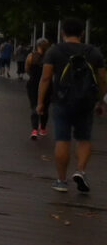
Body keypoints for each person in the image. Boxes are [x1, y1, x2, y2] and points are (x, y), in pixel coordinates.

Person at [37, 18, 107, 193]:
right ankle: (80, 170)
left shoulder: (54, 51)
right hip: (86, 101)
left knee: (62, 139)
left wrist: (40, 102)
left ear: (63, 33)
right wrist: (100, 100)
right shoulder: (94, 52)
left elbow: (45, 78)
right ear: (82, 33)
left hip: (62, 100)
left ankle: (61, 181)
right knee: (84, 138)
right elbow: (103, 78)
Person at [25, 39, 51, 139]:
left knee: (34, 106)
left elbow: (27, 69)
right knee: (45, 107)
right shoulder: (49, 58)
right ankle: (43, 128)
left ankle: (34, 130)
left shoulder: (31, 56)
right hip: (47, 86)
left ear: (37, 46)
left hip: (33, 84)